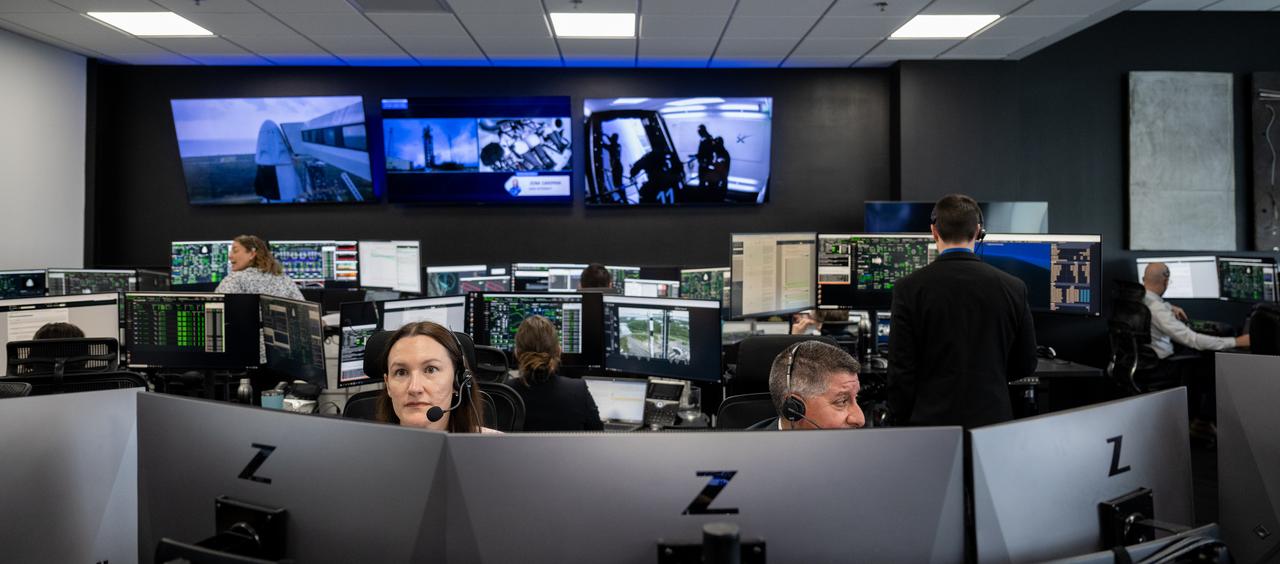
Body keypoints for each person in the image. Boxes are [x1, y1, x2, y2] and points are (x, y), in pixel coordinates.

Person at [887, 194, 1038, 429]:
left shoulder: (908, 288)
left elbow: (901, 370)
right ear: (979, 231)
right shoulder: (1014, 287)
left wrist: (900, 420)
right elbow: (1026, 364)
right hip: (993, 421)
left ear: (933, 231)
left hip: (929, 423)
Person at [374, 321, 493, 433]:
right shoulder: (363, 450)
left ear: (457, 381)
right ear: (388, 384)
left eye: (430, 370)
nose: (414, 388)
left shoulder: (493, 449)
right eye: (401, 372)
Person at [510, 315, 604, 432]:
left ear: (517, 353)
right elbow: (598, 434)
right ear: (558, 351)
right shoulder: (578, 390)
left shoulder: (505, 392)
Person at [1141, 262, 1249, 357]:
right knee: (1203, 356)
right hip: (1161, 364)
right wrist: (1236, 341)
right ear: (1166, 281)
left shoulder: (1135, 299)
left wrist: (1169, 306)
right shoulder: (1158, 309)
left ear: (1143, 280)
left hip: (1139, 360)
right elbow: (1193, 340)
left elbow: (1154, 306)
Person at [752, 340, 865, 430]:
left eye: (857, 397)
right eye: (842, 401)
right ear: (794, 408)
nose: (860, 419)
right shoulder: (745, 454)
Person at [215, 235, 304, 300]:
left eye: (235, 251)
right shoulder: (284, 278)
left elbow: (215, 311)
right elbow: (302, 310)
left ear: (252, 254)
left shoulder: (235, 279)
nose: (230, 256)